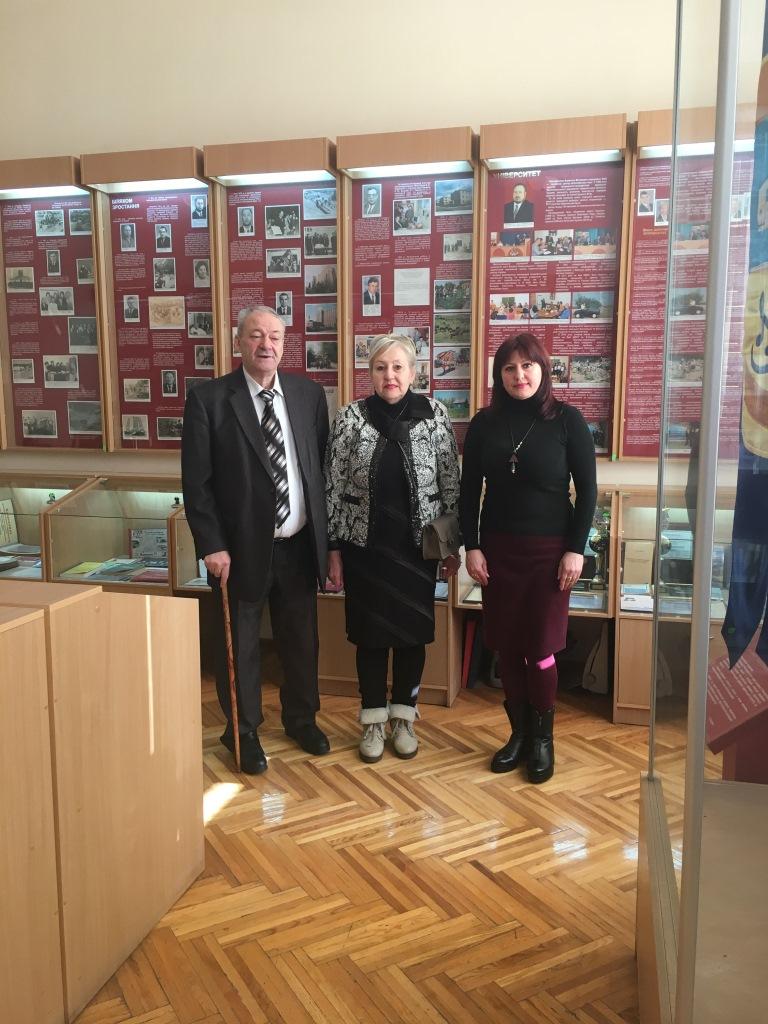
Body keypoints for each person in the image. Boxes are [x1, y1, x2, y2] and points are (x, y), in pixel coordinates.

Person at [182, 305, 331, 774]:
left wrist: (327, 544)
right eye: (255, 335)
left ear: (284, 344)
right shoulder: (208, 400)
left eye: (275, 336)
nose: (266, 344)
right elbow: (197, 484)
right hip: (238, 551)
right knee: (241, 644)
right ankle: (242, 731)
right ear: (238, 342)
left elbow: (318, 470)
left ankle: (301, 719)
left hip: (298, 545)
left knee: (301, 640)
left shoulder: (308, 395)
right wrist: (211, 544)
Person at [459, 332, 597, 784]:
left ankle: (542, 740)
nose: (519, 375)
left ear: (543, 369)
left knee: (539, 650)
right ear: (499, 375)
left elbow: (588, 492)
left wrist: (575, 549)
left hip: (550, 555)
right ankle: (518, 734)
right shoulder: (484, 424)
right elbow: (468, 492)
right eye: (509, 368)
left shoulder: (568, 421)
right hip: (498, 551)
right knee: (507, 646)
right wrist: (472, 546)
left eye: (527, 365)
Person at [325, 334, 460, 763]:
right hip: (364, 548)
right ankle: (372, 721)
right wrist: (333, 548)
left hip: (417, 549)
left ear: (413, 372)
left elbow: (450, 483)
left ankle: (403, 717)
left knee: (411, 636)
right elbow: (333, 484)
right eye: (381, 367)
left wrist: (452, 547)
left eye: (398, 367)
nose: (390, 375)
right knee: (369, 638)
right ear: (370, 373)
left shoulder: (435, 415)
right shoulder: (350, 418)